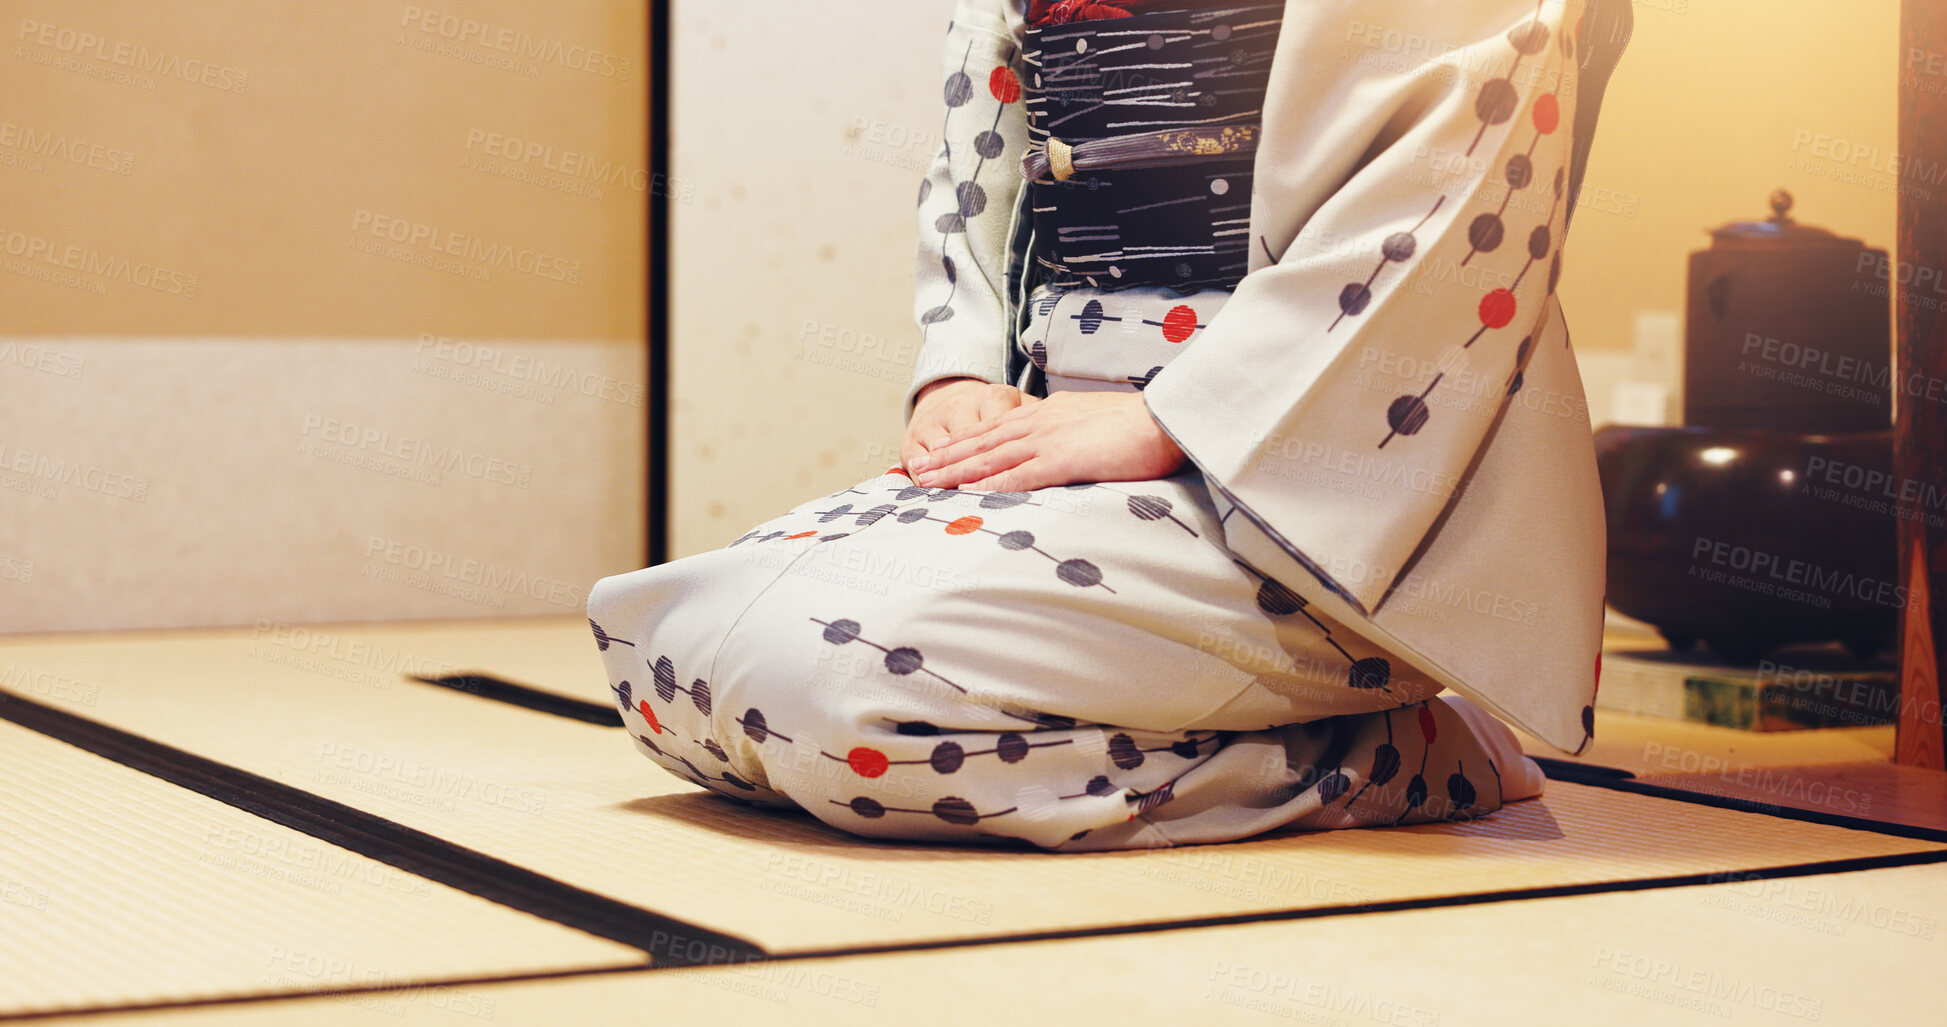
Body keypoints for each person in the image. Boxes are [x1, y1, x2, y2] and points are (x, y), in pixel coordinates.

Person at [588, 0, 1632, 851]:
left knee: (847, 693)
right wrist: (958, 373)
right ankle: (1341, 736)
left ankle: (1398, 756)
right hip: (1065, 437)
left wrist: (1178, 412)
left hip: (1307, 485)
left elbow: (1451, 198)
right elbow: (980, 158)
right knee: (659, 654)